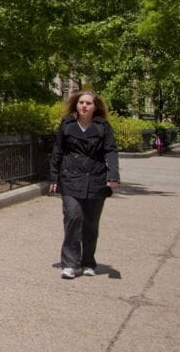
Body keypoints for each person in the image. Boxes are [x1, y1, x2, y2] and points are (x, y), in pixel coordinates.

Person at [49, 89, 120, 279]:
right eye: (81, 102)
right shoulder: (67, 124)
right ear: (76, 104)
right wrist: (53, 177)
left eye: (88, 103)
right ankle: (70, 264)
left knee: (90, 224)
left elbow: (111, 151)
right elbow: (57, 151)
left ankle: (88, 262)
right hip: (71, 177)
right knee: (73, 218)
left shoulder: (103, 126)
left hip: (95, 179)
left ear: (94, 107)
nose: (84, 106)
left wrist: (113, 175)